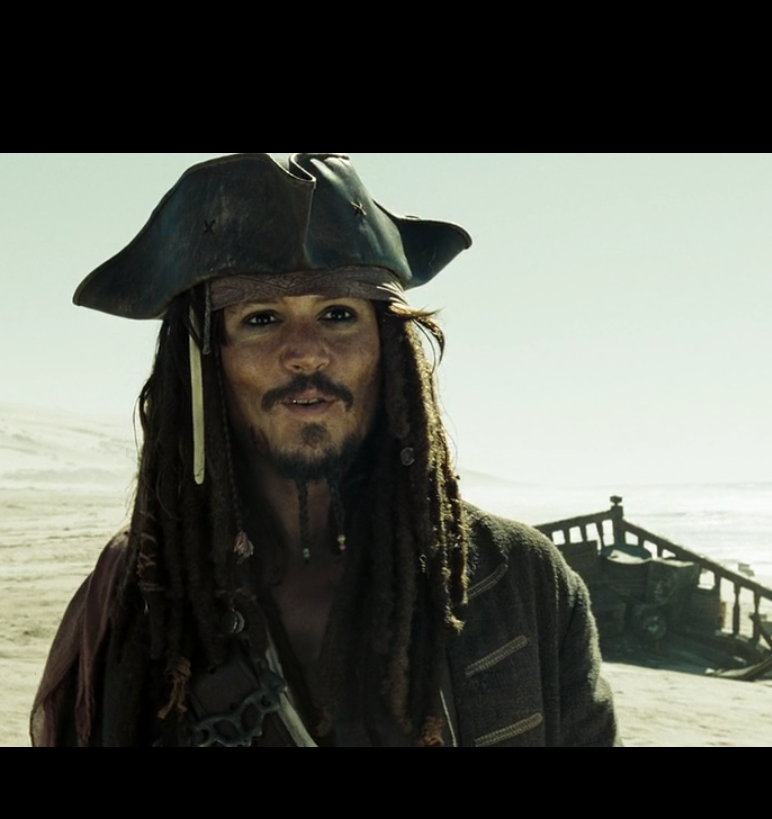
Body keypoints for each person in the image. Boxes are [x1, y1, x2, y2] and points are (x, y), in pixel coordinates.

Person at [31, 153, 618, 746]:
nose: (306, 352)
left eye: (339, 314)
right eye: (261, 319)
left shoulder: (522, 582)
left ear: (388, 347)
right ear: (204, 362)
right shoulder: (139, 594)